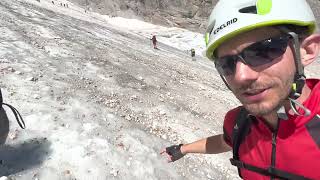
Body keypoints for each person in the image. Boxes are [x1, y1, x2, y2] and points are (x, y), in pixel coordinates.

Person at [160, 0, 320, 179]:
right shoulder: (238, 122)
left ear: (306, 50)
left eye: (262, 51)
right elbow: (225, 141)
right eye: (227, 64)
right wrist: (184, 149)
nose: (240, 76)